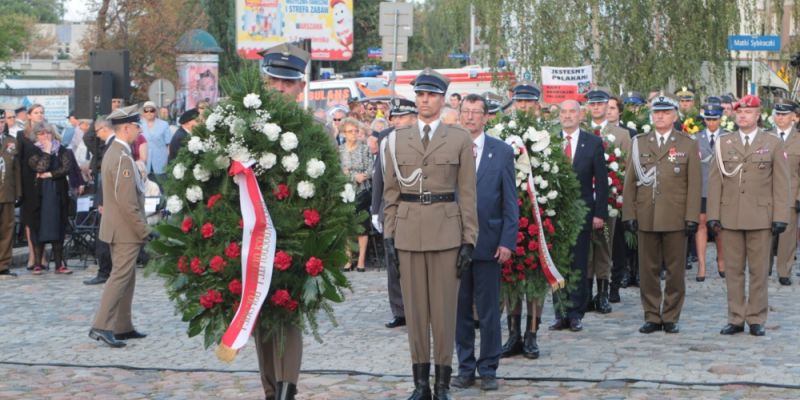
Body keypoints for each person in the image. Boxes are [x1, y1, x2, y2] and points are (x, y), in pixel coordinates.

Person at [383, 68, 478, 400]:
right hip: (408, 232)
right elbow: (391, 193)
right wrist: (389, 237)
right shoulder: (396, 140)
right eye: (420, 95)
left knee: (443, 313)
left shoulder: (459, 138)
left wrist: (469, 239)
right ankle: (420, 383)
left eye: (432, 95)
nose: (425, 100)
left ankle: (442, 385)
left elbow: (467, 193)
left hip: (446, 233)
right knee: (416, 312)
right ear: (415, 99)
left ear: (441, 99)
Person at [707, 95, 790, 337]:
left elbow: (781, 183)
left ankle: (756, 317)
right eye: (739, 111)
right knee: (733, 270)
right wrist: (713, 213)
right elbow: (715, 182)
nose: (743, 115)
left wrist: (780, 216)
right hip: (730, 215)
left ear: (758, 115)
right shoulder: (724, 142)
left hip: (760, 217)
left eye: (748, 111)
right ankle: (735, 317)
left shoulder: (772, 143)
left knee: (758, 270)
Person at [452, 94, 517, 392]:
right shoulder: (450, 147)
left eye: (476, 112)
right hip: (455, 244)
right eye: (465, 111)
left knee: (489, 310)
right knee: (460, 310)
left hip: (490, 244)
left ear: (486, 117)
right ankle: (465, 367)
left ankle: (488, 367)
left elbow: (510, 202)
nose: (470, 117)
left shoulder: (501, 152)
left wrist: (507, 241)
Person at [256, 41, 310, 400]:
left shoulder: (313, 133)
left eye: (287, 82)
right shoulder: (246, 129)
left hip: (296, 241)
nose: (279, 87)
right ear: (264, 81)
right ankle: (270, 391)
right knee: (260, 320)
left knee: (288, 318)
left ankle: (287, 390)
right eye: (274, 79)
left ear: (301, 87)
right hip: (254, 240)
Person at [622, 94, 701, 334]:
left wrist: (692, 217)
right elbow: (630, 182)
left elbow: (694, 185)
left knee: (676, 271)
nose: (660, 116)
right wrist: (629, 214)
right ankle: (652, 315)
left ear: (675, 116)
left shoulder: (687, 143)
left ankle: (671, 315)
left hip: (676, 216)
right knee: (648, 270)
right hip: (646, 214)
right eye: (657, 112)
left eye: (666, 112)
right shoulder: (639, 143)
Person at [89, 105, 150, 348]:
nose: (139, 130)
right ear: (126, 128)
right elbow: (127, 203)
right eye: (137, 126)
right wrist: (144, 230)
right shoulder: (121, 157)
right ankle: (102, 326)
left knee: (127, 277)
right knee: (119, 277)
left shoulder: (117, 152)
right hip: (125, 229)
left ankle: (123, 326)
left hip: (119, 227)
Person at [549, 99, 608, 333]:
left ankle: (575, 314)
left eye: (572, 111)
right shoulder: (549, 141)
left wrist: (599, 213)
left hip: (582, 213)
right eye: (563, 112)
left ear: (580, 115)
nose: (567, 115)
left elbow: (601, 182)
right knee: (557, 265)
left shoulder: (592, 143)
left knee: (578, 264)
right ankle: (560, 312)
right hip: (555, 215)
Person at [501, 82, 547, 360]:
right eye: (520, 102)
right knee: (511, 278)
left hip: (540, 217)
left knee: (535, 279)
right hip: (510, 216)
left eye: (529, 102)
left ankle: (531, 335)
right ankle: (513, 335)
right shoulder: (504, 134)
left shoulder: (547, 135)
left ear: (537, 104)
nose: (524, 107)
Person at [371, 98, 418, 330]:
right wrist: (374, 209)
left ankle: (419, 307)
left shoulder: (423, 137)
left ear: (414, 117)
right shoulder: (385, 138)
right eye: (395, 117)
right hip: (389, 207)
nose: (397, 121)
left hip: (416, 207)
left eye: (402, 117)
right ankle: (399, 310)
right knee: (393, 262)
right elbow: (378, 174)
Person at [585, 88, 632, 314]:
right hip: (584, 200)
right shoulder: (582, 131)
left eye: (600, 104)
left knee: (604, 246)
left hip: (609, 200)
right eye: (592, 104)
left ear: (607, 106)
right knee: (584, 249)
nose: (596, 108)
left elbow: (627, 169)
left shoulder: (621, 134)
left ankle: (603, 292)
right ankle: (585, 293)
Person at [27, 122, 74, 275]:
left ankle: (59, 264)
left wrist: (50, 174)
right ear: (36, 136)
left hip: (57, 193)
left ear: (53, 134)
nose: (45, 136)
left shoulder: (62, 150)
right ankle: (38, 263)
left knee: (57, 227)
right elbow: (39, 166)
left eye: (47, 133)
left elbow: (66, 168)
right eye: (41, 134)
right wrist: (47, 151)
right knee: (39, 227)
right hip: (39, 195)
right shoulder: (33, 150)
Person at [769, 99, 799, 286]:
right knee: (765, 235)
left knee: (787, 236)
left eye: (784, 115)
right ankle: (763, 267)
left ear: (793, 118)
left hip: (790, 193)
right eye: (777, 114)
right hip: (766, 194)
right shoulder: (765, 137)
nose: (780, 118)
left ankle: (784, 271)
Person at [696, 103, 728, 281]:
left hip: (721, 189)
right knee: (701, 224)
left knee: (719, 227)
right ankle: (701, 265)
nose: (711, 122)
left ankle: (721, 259)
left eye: (714, 119)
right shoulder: (696, 138)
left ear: (720, 119)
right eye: (708, 119)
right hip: (701, 188)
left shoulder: (728, 137)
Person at [82, 118, 115, 286]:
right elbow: (87, 138)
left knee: (104, 234)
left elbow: (107, 179)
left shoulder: (113, 146)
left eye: (97, 131)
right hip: (109, 197)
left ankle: (105, 271)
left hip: (109, 198)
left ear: (103, 129)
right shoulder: (110, 144)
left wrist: (101, 201)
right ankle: (107, 270)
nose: (96, 135)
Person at [338, 117, 373, 272]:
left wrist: (361, 175)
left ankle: (361, 260)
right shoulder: (340, 150)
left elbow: (370, 169)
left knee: (362, 226)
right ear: (343, 133)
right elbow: (339, 172)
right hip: (345, 192)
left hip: (362, 191)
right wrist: (353, 176)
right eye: (350, 131)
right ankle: (347, 259)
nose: (354, 134)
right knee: (346, 226)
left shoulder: (365, 148)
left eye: (356, 131)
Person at [18, 104, 48, 270]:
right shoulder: (22, 135)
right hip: (28, 181)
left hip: (45, 180)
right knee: (30, 219)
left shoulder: (48, 131)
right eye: (36, 112)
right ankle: (32, 254)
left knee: (43, 217)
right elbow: (19, 160)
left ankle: (42, 255)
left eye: (42, 112)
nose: (39, 115)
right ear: (29, 115)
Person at [0, 108, 20, 278]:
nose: (0, 125)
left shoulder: (11, 141)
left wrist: (18, 193)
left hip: (7, 192)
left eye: (1, 122)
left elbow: (17, 170)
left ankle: (3, 264)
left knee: (7, 228)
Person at [139, 101, 171, 185]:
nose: (149, 112)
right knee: (145, 187)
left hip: (160, 160)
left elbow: (169, 144)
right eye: (146, 110)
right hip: (144, 160)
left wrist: (167, 158)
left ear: (156, 111)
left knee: (162, 187)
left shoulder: (164, 124)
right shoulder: (138, 125)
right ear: (143, 112)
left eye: (152, 110)